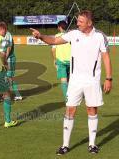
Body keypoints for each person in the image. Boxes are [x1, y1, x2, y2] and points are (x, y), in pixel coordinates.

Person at [30, 10, 112, 155]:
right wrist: (41, 36)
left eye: (80, 21)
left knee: (92, 110)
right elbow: (55, 41)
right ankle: (65, 145)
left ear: (89, 23)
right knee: (70, 110)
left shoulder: (100, 36)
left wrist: (108, 78)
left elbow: (105, 57)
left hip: (92, 81)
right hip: (74, 82)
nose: (77, 23)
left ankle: (92, 144)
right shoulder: (74, 34)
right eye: (78, 21)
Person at [51, 21, 71, 101]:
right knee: (70, 79)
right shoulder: (71, 35)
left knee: (63, 80)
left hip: (61, 61)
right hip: (71, 61)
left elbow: (53, 50)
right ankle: (72, 95)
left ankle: (67, 99)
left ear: (59, 27)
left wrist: (54, 60)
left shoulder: (56, 36)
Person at [3, 25, 23, 101]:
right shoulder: (2, 36)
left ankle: (15, 95)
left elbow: (9, 47)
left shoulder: (8, 35)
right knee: (5, 77)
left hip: (10, 59)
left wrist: (5, 58)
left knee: (9, 77)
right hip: (5, 59)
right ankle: (6, 94)